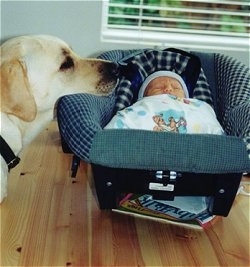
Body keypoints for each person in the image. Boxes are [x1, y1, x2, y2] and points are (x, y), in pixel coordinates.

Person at [105, 70, 224, 135]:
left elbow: (210, 122)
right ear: (144, 97)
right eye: (158, 87)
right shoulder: (140, 105)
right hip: (144, 146)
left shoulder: (198, 106)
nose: (168, 89)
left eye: (176, 88)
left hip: (197, 147)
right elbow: (121, 123)